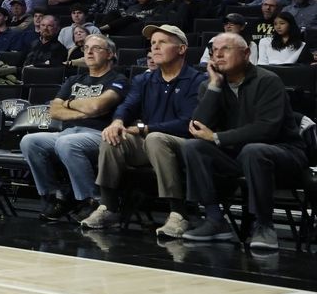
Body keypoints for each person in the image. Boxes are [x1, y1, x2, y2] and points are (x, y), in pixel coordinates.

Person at [180, 33, 308, 251]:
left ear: (247, 53)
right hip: (238, 155)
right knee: (193, 147)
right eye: (214, 50)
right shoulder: (211, 85)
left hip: (284, 153)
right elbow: (198, 128)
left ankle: (264, 225)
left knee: (254, 150)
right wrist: (214, 86)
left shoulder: (268, 80)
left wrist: (218, 137)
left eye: (226, 49)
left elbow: (266, 129)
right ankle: (214, 220)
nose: (218, 54)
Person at [81, 24, 204, 235]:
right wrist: (117, 122)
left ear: (182, 49)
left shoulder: (197, 80)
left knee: (155, 138)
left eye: (162, 42)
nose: (155, 47)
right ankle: (108, 208)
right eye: (153, 43)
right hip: (149, 143)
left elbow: (188, 123)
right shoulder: (143, 79)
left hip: (186, 145)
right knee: (113, 137)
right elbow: (127, 106)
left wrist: (145, 128)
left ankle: (179, 213)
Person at [19, 35, 127, 222]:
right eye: (86, 48)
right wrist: (81, 111)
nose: (89, 52)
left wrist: (70, 105)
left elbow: (98, 106)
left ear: (110, 54)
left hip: (99, 134)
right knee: (30, 141)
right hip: (67, 132)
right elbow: (54, 110)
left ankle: (92, 200)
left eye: (96, 48)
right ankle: (57, 196)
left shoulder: (118, 79)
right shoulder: (74, 80)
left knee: (66, 143)